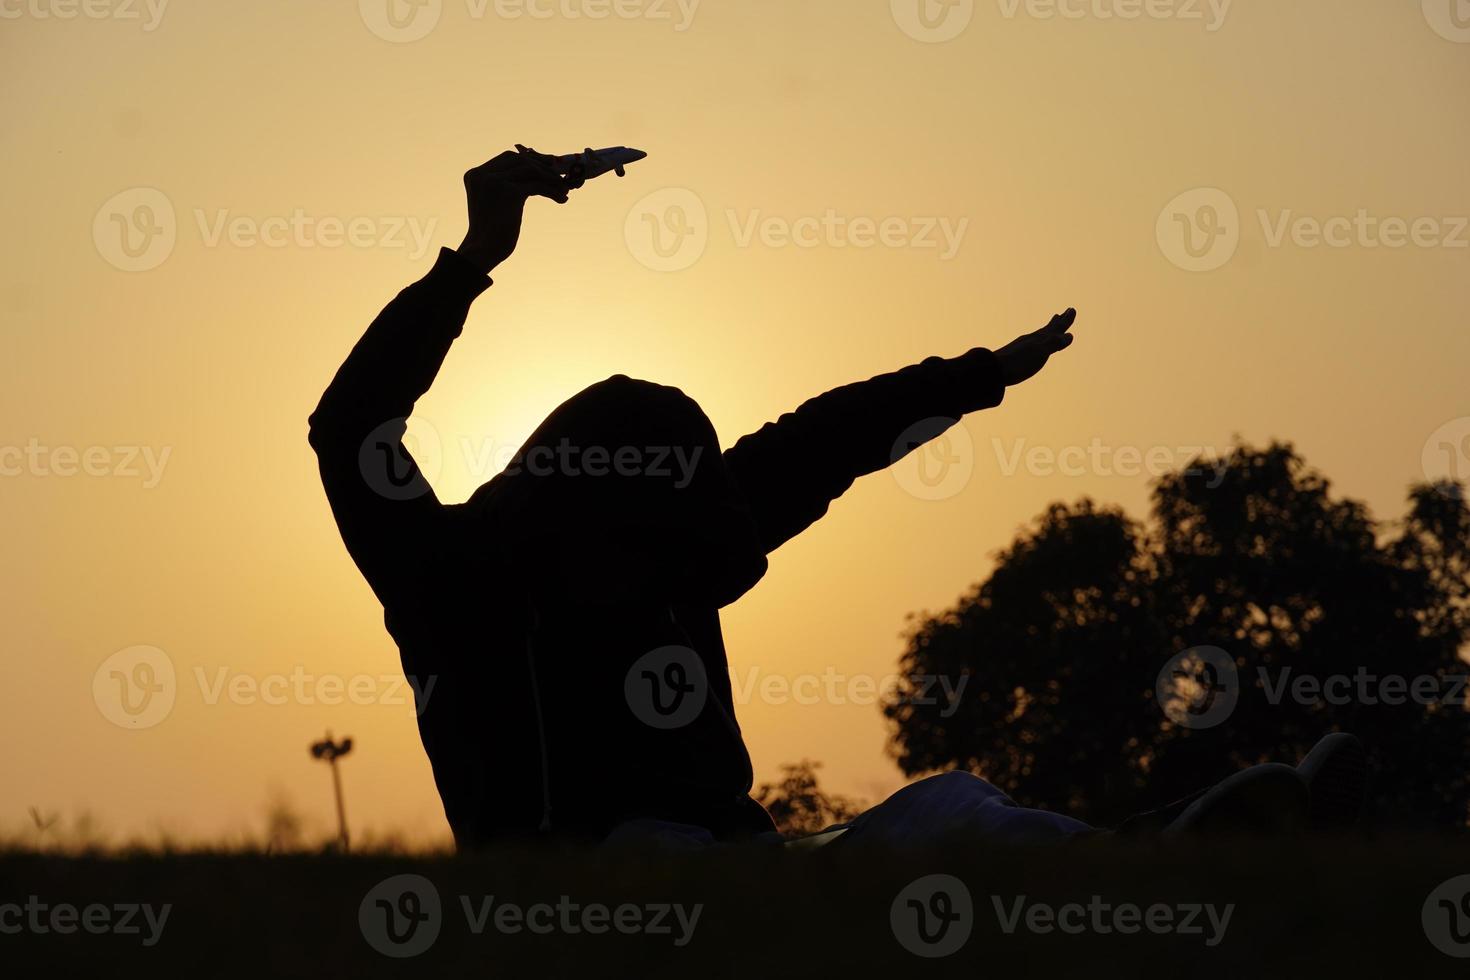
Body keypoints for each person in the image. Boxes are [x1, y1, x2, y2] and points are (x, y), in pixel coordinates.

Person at [309, 147, 1363, 850]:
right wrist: (473, 259)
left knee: (950, 805)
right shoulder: (449, 579)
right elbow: (349, 429)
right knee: (655, 850)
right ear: (589, 522)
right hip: (575, 892)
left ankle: (1150, 856)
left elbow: (825, 439)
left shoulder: (681, 528)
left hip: (752, 862)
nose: (665, 589)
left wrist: (972, 375)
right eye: (646, 562)